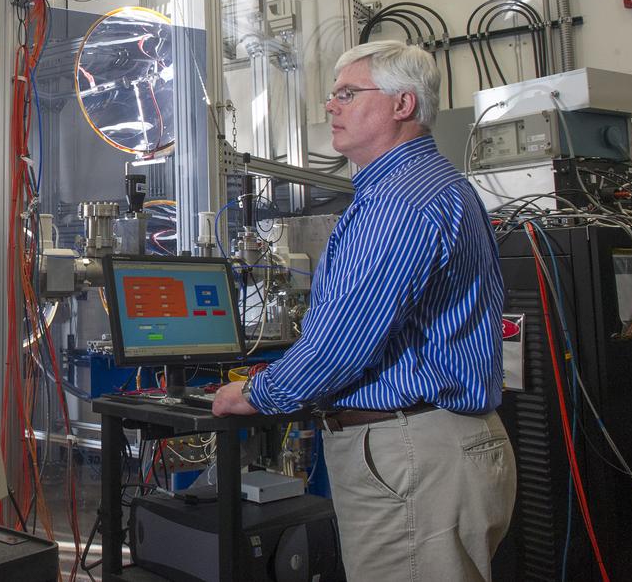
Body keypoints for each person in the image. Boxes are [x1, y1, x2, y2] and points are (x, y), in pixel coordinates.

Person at [212, 40, 517, 581]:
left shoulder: (398, 200)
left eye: (347, 94)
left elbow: (339, 348)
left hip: (410, 453)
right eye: (332, 96)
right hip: (447, 444)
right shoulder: (440, 187)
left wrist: (253, 393)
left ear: (403, 105)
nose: (330, 107)